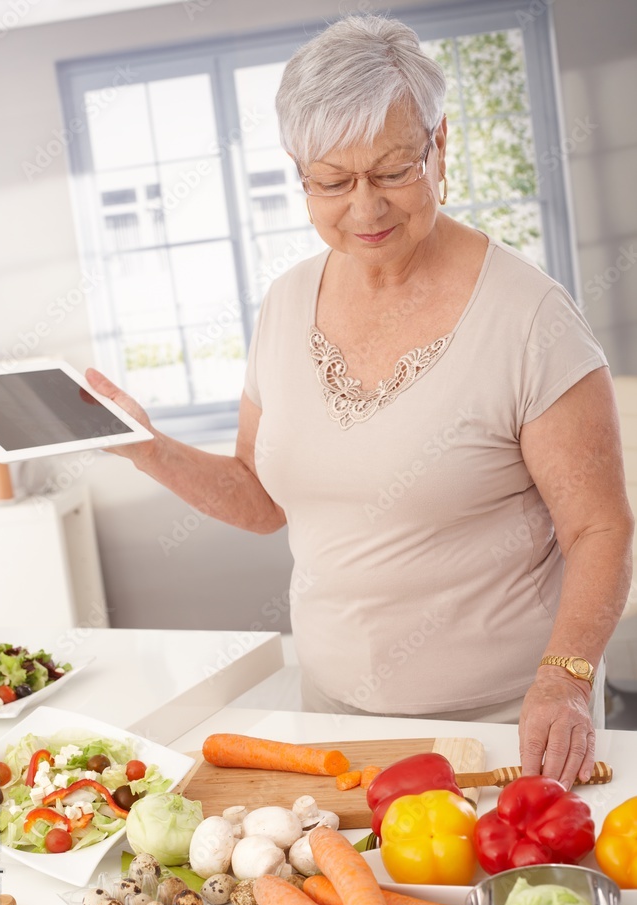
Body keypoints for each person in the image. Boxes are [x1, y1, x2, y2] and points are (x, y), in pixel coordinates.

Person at [86, 14, 634, 789]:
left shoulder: (529, 319)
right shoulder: (283, 305)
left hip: (508, 729)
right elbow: (259, 497)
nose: (365, 208)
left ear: (440, 147)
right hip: (335, 726)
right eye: (333, 181)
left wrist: (566, 677)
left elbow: (600, 526)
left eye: (391, 171)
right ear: (296, 173)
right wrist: (145, 445)